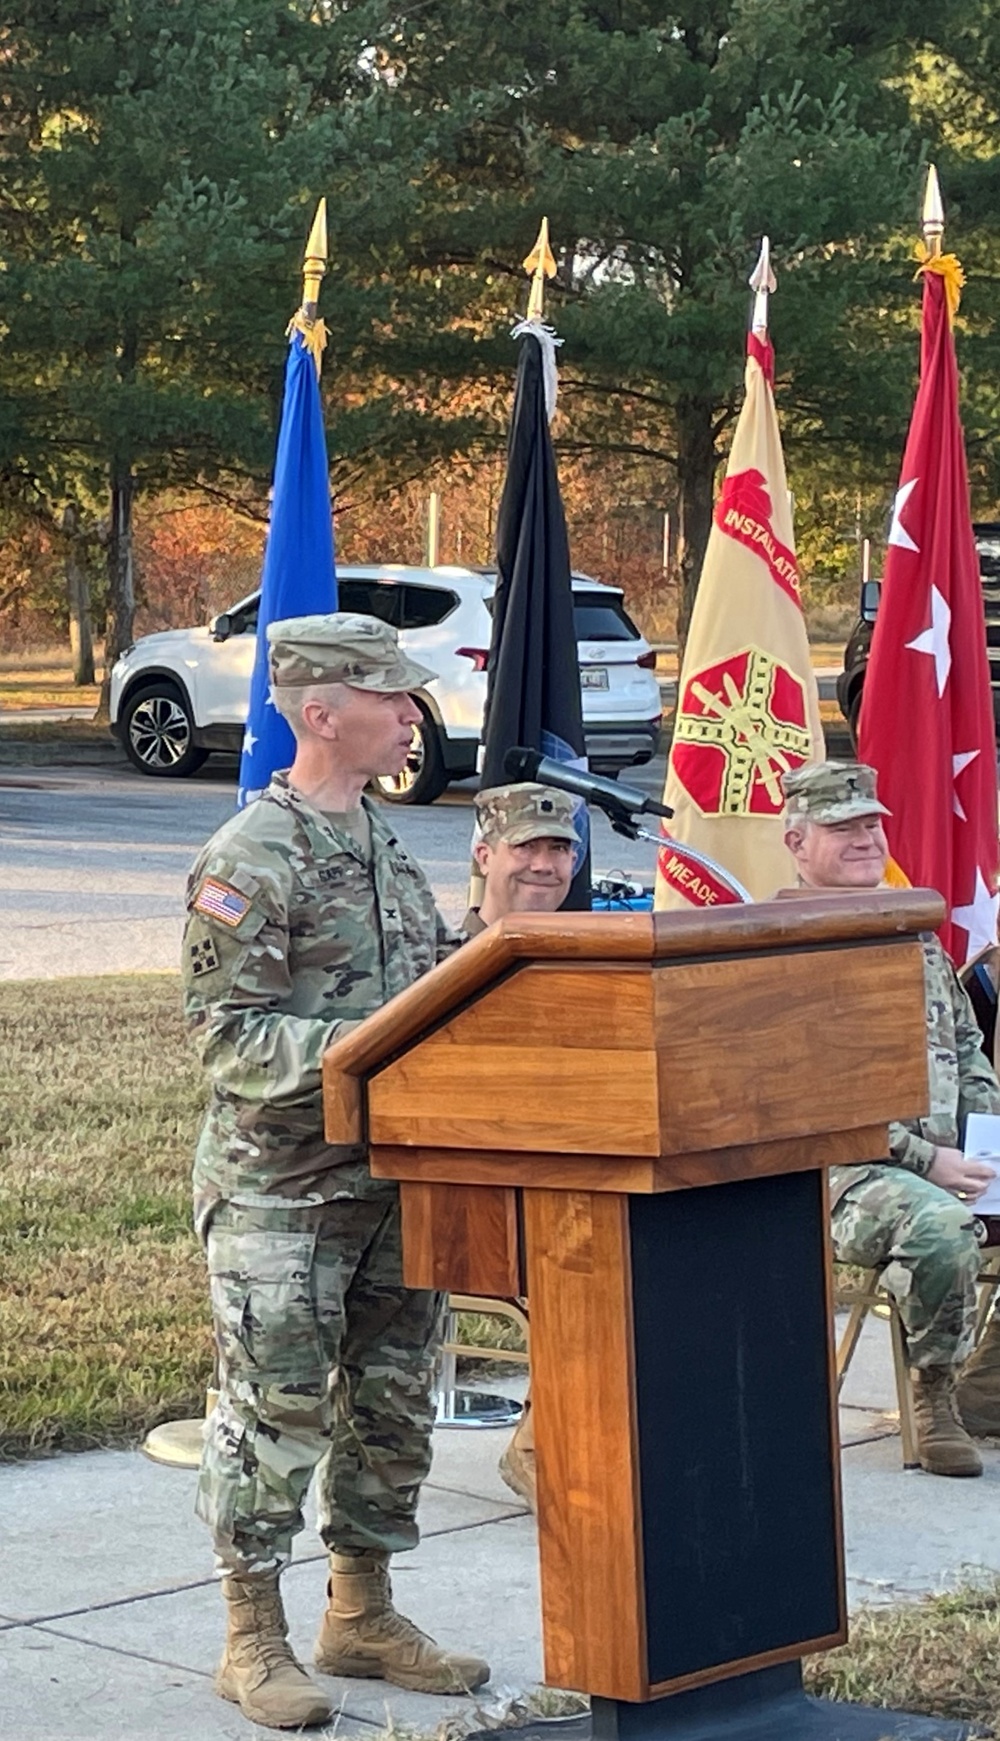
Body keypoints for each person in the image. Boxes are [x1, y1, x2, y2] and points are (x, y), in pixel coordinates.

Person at [181, 612, 490, 1732]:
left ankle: (361, 1609)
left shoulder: (381, 838)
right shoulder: (248, 857)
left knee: (391, 1410)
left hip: (397, 1181)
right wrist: (376, 1046)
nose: (412, 711)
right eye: (392, 696)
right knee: (274, 1414)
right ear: (323, 712)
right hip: (286, 1191)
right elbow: (231, 1043)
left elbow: (426, 984)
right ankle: (250, 1633)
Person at [780, 759, 1000, 1478]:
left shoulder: (913, 932)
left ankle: (987, 1390)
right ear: (796, 841)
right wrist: (929, 1161)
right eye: (843, 827)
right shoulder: (781, 945)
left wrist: (988, 1141)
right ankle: (934, 1393)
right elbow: (813, 1098)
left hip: (944, 1158)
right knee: (939, 1226)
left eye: (872, 823)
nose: (866, 838)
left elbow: (967, 1049)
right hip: (840, 1172)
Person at [465, 781, 578, 1509]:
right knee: (592, 1257)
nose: (545, 864)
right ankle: (547, 1445)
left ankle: (581, 1438)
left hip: (571, 1177)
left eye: (560, 848)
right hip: (473, 1194)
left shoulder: (590, 959)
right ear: (483, 853)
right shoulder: (443, 961)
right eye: (526, 845)